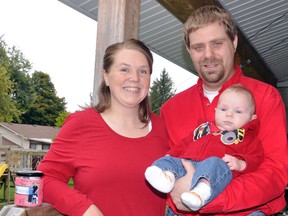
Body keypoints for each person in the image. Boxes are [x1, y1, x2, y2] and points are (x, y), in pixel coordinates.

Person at [160, 5, 288, 216]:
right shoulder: (171, 110)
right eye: (199, 47)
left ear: (234, 42)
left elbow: (275, 172)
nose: (208, 55)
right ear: (189, 50)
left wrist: (208, 198)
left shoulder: (265, 97)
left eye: (217, 44)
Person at [37, 39, 169, 216]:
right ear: (106, 76)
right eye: (124, 69)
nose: (135, 78)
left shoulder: (163, 128)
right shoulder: (81, 124)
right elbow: (44, 178)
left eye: (143, 71)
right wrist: (84, 208)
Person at [145, 84, 263, 212]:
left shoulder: (246, 138)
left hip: (215, 171)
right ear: (215, 111)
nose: (229, 114)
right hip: (188, 163)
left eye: (238, 111)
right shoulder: (203, 128)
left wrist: (241, 163)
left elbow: (257, 157)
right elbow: (184, 143)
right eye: (224, 109)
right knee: (171, 159)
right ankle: (166, 176)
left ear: (252, 118)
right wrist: (171, 155)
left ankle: (200, 193)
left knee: (215, 162)